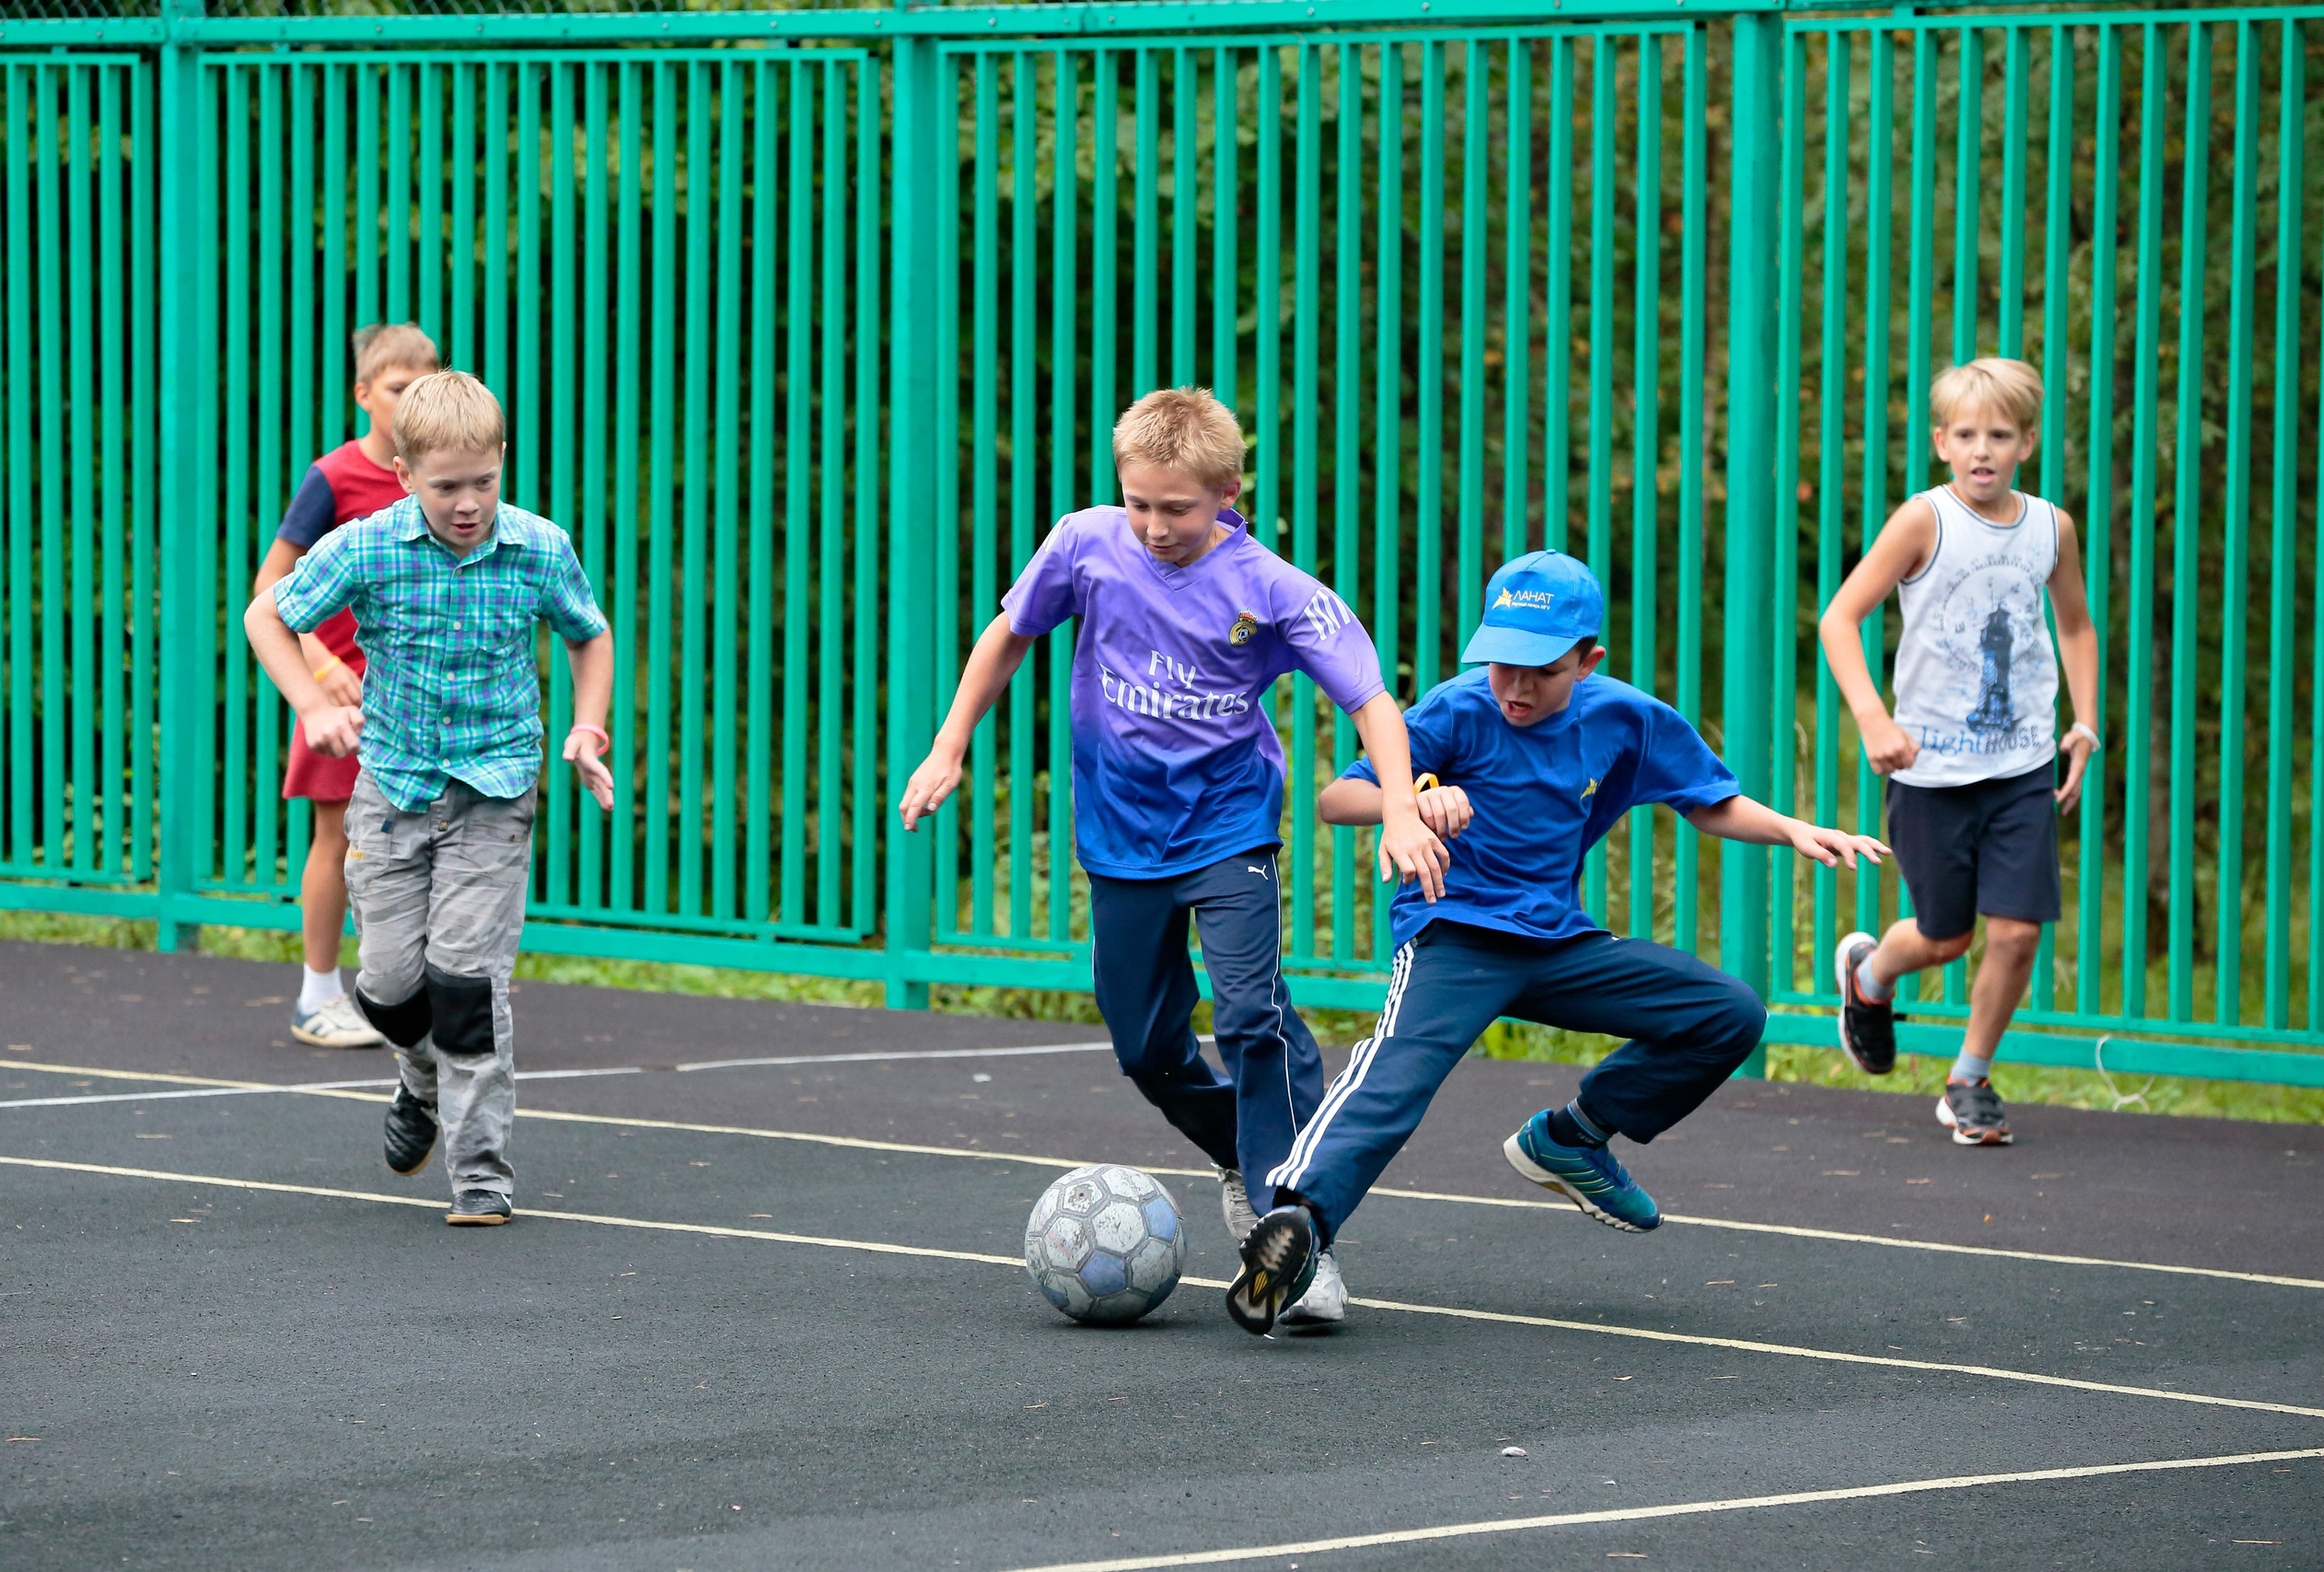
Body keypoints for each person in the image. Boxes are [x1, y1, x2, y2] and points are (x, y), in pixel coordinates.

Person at [1226, 551, 1888, 1335]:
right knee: (1395, 1076)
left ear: (1587, 660)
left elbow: (1709, 801)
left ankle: (1573, 1135)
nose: (1515, 685)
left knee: (1728, 1012)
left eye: (1540, 669)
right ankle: (1297, 1226)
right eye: (1502, 662)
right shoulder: (1458, 709)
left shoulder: (1623, 717)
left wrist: (1793, 829)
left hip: (1558, 941)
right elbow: (1341, 797)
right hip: (1455, 933)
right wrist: (1418, 796)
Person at [898, 388, 1448, 1328]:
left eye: (1177, 509)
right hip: (1119, 836)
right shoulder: (1084, 543)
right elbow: (1009, 634)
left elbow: (1371, 703)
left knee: (1247, 1010)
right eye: (1140, 504)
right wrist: (949, 744)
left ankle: (1291, 1227)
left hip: (1228, 827)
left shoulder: (1273, 590)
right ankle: (1241, 1149)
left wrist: (1401, 805)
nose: (1154, 527)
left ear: (1227, 493)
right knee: (1144, 1047)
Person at [243, 371, 616, 1226]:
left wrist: (586, 728)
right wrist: (310, 702)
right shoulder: (368, 546)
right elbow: (268, 615)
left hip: (494, 789)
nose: (467, 503)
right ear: (406, 474)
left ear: (502, 464)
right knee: (387, 983)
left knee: (466, 983)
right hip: (394, 792)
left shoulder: (538, 547)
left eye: (482, 481)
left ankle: (481, 1172)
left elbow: (588, 636)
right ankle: (417, 1078)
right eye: (446, 486)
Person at [1818, 357, 2101, 1147]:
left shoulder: (2051, 527)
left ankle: (1969, 1078)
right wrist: (1874, 719)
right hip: (1933, 771)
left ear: (2028, 441)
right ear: (1941, 442)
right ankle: (1870, 980)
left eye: (2001, 435)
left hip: (2023, 765)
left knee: (2016, 933)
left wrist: (2086, 721)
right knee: (1944, 938)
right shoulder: (1923, 521)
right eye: (1967, 434)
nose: (1984, 450)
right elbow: (1841, 620)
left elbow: (2075, 626)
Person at [251, 323, 442, 1050]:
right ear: (364, 394)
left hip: (414, 700)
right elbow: (271, 587)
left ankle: (403, 993)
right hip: (341, 695)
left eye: (423, 387)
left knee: (425, 837)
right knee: (337, 837)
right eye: (398, 388)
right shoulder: (332, 477)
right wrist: (323, 666)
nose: (410, 400)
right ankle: (316, 994)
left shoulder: (439, 476)